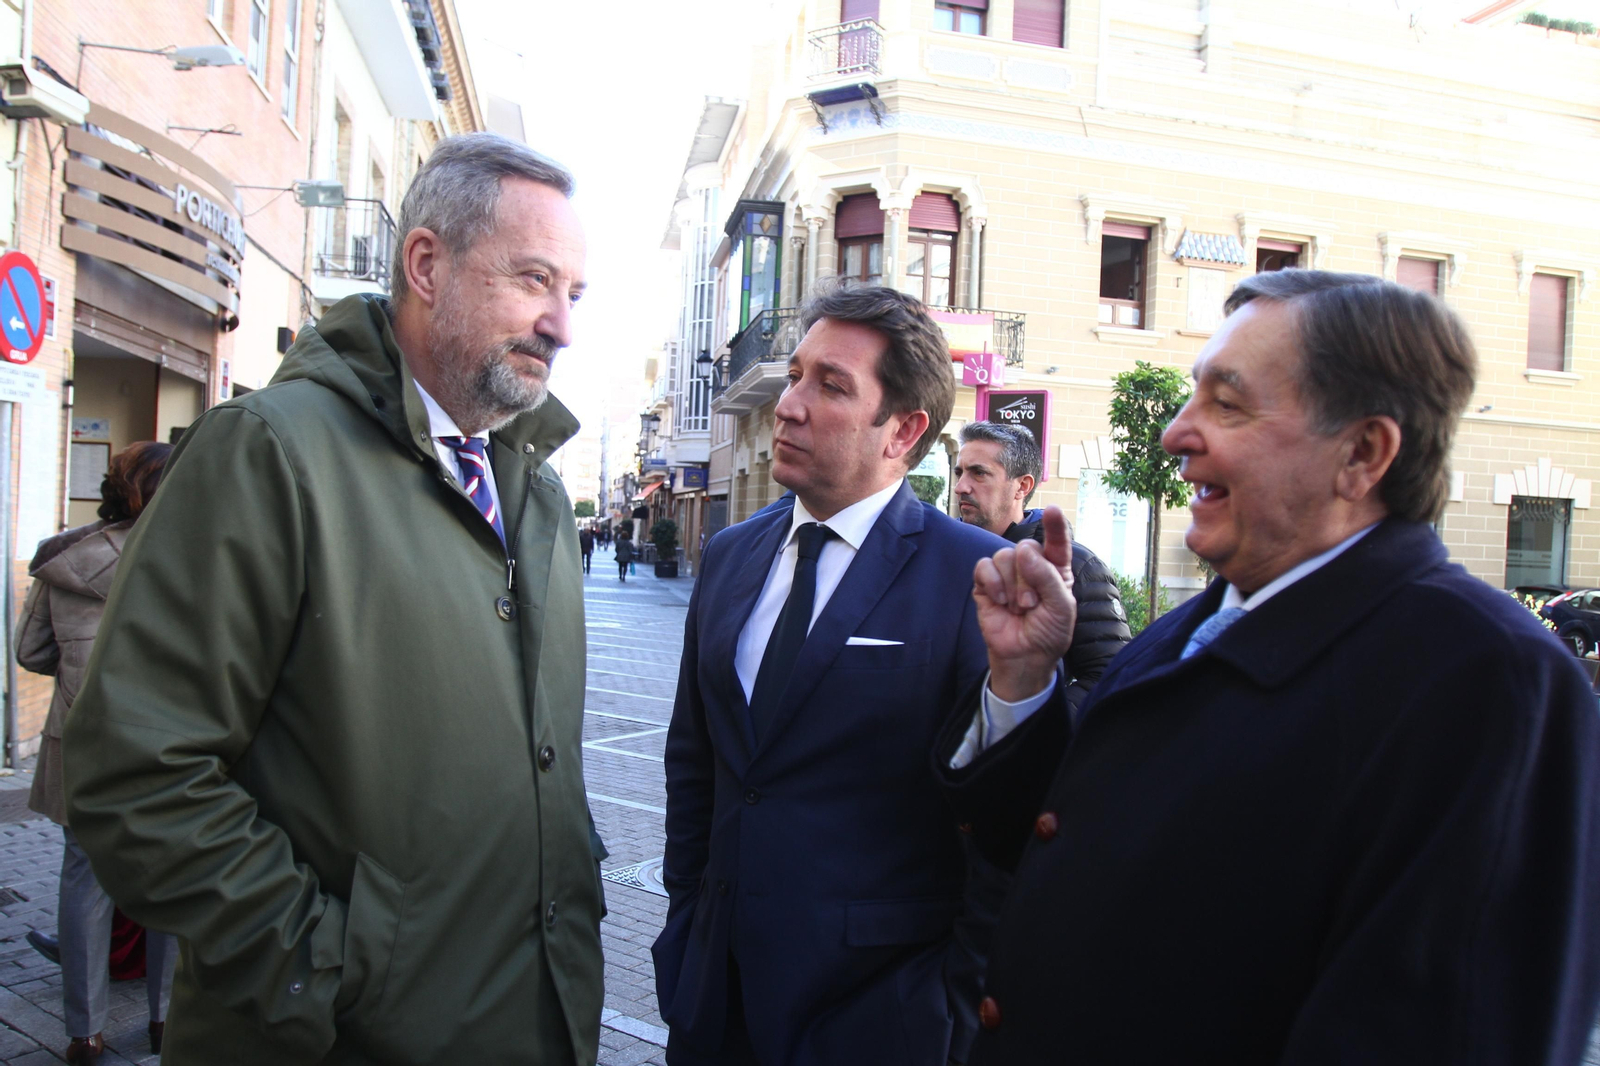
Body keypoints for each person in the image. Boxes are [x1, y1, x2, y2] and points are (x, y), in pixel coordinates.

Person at [940, 270, 1600, 1063]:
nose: (1176, 434)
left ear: (1362, 453)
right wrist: (1024, 678)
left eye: (1227, 404)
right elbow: (1054, 848)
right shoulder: (1193, 626)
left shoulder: (1489, 680)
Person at [63, 134, 604, 1065]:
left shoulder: (538, 492)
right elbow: (136, 773)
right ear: (426, 265)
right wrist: (326, 968)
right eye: (533, 280)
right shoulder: (268, 452)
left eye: (575, 294)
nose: (561, 325)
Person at [653, 283, 1012, 1066]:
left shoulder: (974, 576)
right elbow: (696, 759)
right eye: (795, 376)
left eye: (832, 386)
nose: (790, 405)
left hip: (878, 1016)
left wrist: (950, 1007)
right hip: (714, 1000)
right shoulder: (730, 554)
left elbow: (1000, 830)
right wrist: (686, 918)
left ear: (903, 430)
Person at [16, 442, 177, 1064]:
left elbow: (32, 653)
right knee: (167, 877)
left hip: (78, 745)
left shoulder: (64, 560)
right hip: (166, 745)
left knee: (84, 880)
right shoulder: (186, 555)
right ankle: (165, 1019)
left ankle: (84, 1035)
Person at [952, 420, 1130, 721]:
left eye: (979, 473)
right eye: (960, 473)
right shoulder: (944, 553)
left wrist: (1033, 726)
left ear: (1022, 486)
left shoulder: (1079, 567)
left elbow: (1110, 673)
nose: (961, 487)